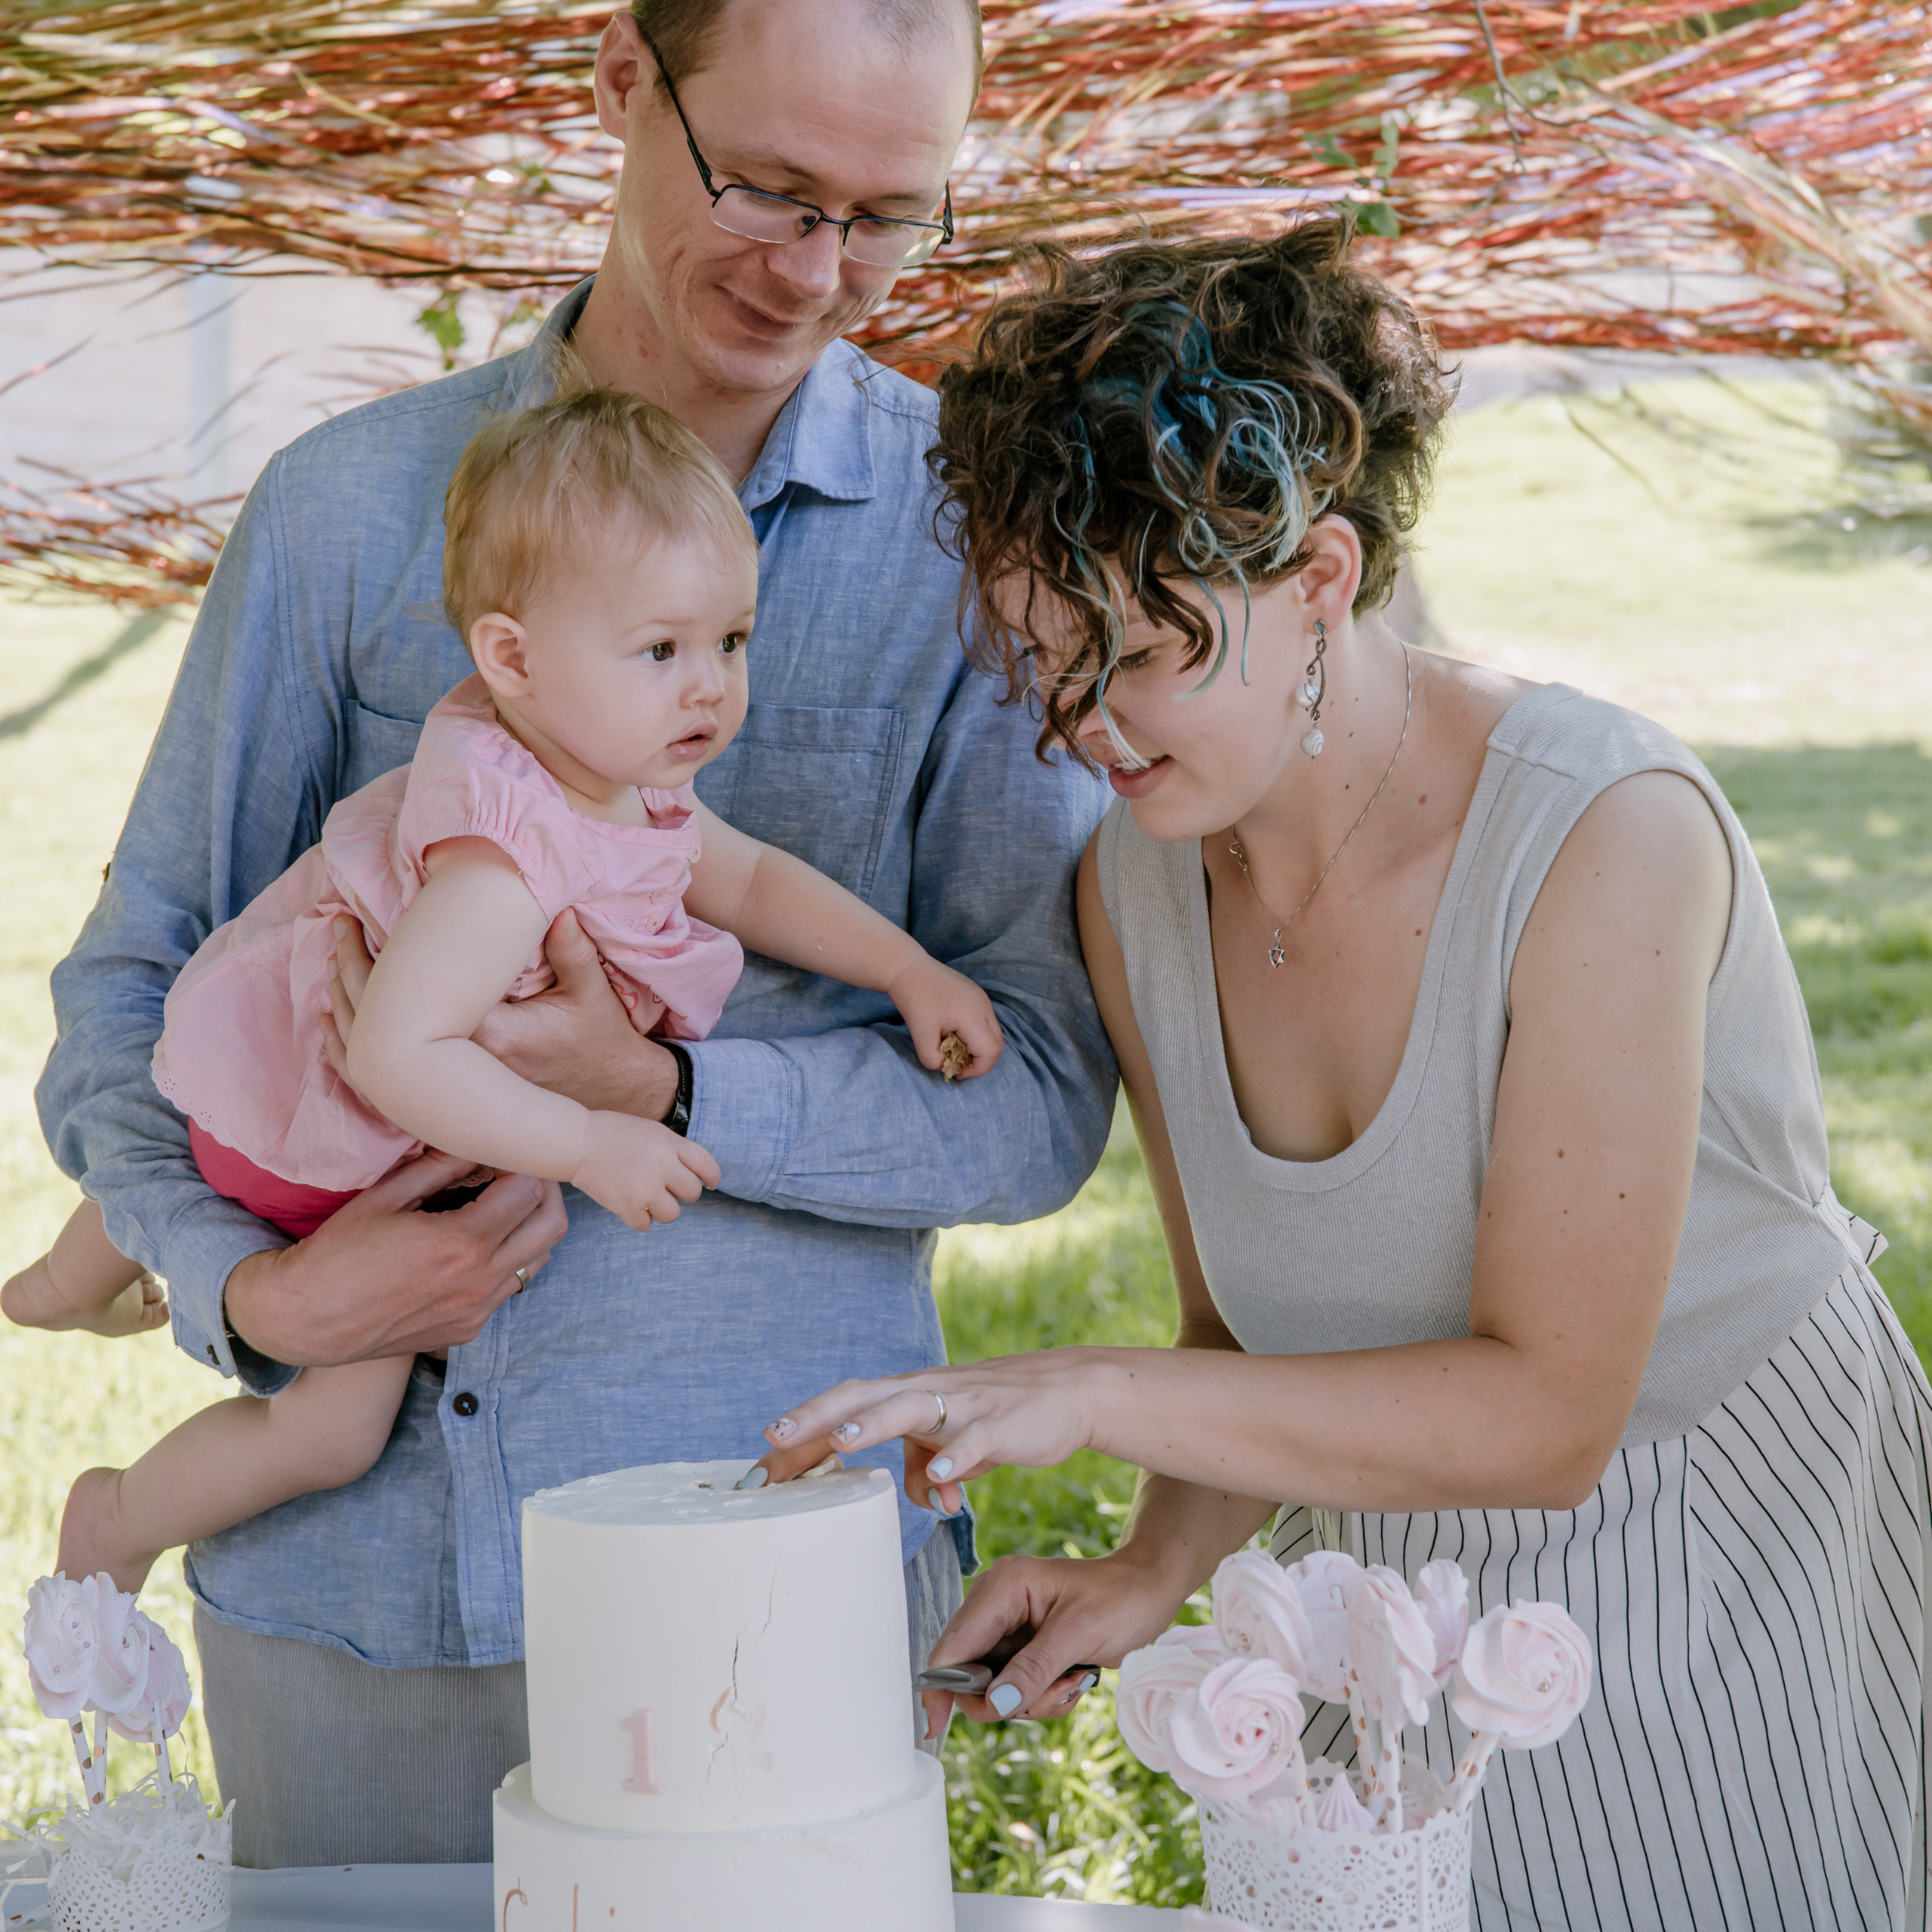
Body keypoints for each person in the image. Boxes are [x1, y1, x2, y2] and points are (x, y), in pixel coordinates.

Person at [754, 220, 1932, 1930]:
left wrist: (1086, 1390)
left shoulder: (1602, 835)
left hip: (1719, 1570)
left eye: (1143, 654)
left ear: (1317, 575)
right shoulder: (1131, 881)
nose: (1081, 722)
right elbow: (1244, 1336)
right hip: (1379, 1601)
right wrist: (1148, 1563)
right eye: (1038, 657)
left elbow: (1547, 1414)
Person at [35, 0, 1114, 1868]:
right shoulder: (350, 511)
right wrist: (251, 1290)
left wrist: (673, 1086)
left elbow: (1030, 1103)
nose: (814, 272)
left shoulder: (968, 553)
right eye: (769, 187)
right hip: (352, 1587)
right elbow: (130, 991)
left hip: (767, 1585)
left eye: (884, 218)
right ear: (624, 87)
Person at [13, 382, 1002, 1597]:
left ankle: (83, 1264)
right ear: (513, 658)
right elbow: (392, 1057)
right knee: (330, 1432)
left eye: (730, 642)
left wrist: (905, 970)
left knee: (203, 1125)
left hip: (260, 1075)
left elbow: (748, 881)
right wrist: (590, 1140)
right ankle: (114, 1518)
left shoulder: (608, 763)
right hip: (325, 1149)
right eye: (662, 649)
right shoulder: (501, 859)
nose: (710, 686)